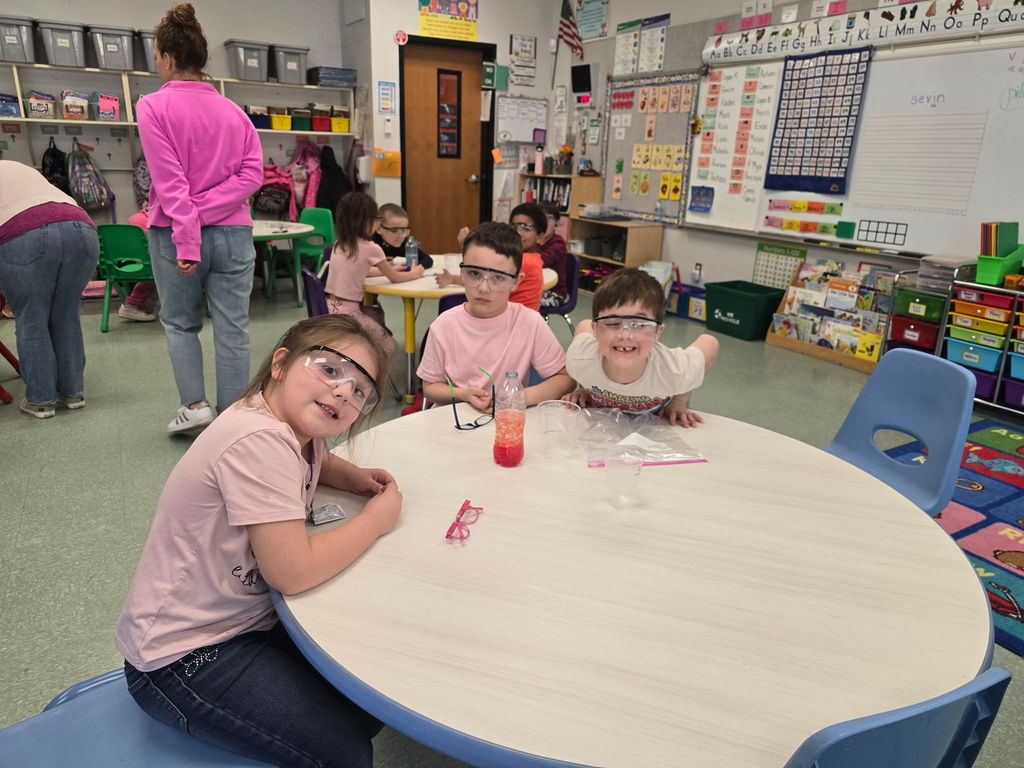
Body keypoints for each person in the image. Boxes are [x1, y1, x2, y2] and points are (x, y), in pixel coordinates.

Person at [116, 314, 401, 768]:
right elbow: (292, 572)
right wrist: (376, 521)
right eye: (330, 369)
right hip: (184, 658)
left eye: (360, 390)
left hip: (243, 622)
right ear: (281, 364)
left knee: (367, 702)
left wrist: (353, 476)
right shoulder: (258, 439)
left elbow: (314, 461)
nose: (344, 391)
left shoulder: (281, 420)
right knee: (348, 751)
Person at [137, 3, 264, 434]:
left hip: (176, 235)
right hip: (234, 233)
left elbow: (170, 183)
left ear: (169, 58)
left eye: (157, 57)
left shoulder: (152, 107)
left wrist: (189, 228)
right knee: (234, 326)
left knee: (179, 323)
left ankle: (194, 408)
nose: (158, 64)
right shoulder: (235, 112)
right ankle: (231, 420)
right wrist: (211, 209)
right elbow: (253, 176)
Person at [418, 221, 574, 411]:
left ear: (516, 282)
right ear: (461, 272)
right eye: (474, 273)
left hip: (506, 422)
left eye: (498, 278)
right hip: (452, 420)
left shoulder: (529, 322)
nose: (483, 288)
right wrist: (463, 394)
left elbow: (565, 379)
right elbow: (429, 387)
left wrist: (519, 397)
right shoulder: (444, 325)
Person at [0, 160, 99, 419]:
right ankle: (73, 393)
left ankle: (41, 400)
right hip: (82, 228)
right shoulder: (16, 166)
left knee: (32, 317)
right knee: (66, 315)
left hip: (24, 234)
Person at [563, 268, 719, 428]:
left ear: (658, 332)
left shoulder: (675, 370)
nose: (625, 335)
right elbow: (583, 326)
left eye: (639, 324)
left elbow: (709, 341)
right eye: (612, 323)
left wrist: (678, 402)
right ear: (595, 329)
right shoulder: (579, 360)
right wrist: (584, 388)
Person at [324, 192, 424, 358]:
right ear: (367, 222)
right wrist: (416, 273)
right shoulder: (371, 247)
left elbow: (361, 271)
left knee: (374, 317)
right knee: (389, 346)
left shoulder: (338, 245)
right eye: (375, 218)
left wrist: (389, 268)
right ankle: (369, 373)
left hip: (330, 307)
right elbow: (395, 278)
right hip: (349, 313)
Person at [440, 203, 546, 311]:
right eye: (513, 226)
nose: (518, 232)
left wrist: (452, 278)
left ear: (540, 237)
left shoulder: (524, 261)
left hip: (512, 318)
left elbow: (482, 277)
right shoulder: (535, 259)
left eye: (526, 228)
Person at [117, 205, 158, 323]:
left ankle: (132, 303)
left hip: (118, 267)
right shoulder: (157, 223)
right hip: (148, 269)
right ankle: (132, 303)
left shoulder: (133, 219)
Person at [371, 202, 433, 269]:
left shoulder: (404, 243)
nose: (400, 235)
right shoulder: (370, 242)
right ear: (378, 229)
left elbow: (427, 260)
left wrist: (408, 267)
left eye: (404, 230)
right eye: (394, 230)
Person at [538, 202, 570, 308]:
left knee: (523, 301)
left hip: (555, 292)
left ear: (556, 222)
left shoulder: (558, 243)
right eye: (540, 218)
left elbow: (543, 261)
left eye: (548, 218)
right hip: (537, 287)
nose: (544, 222)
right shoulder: (534, 240)